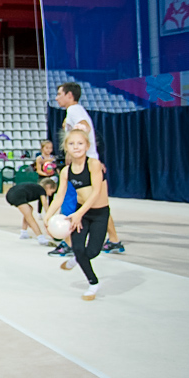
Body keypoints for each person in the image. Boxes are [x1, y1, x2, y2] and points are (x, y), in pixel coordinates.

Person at [56, 83, 125, 255]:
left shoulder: (74, 110)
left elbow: (84, 124)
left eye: (59, 94)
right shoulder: (72, 111)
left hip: (83, 165)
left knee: (69, 202)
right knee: (99, 205)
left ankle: (69, 243)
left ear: (69, 95)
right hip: (87, 162)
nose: (56, 97)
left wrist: (80, 129)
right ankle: (114, 240)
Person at [45, 129, 110, 301]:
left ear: (87, 146)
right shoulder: (66, 171)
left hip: (99, 213)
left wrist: (79, 213)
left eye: (80, 143)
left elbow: (96, 192)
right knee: (78, 248)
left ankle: (77, 260)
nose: (76, 147)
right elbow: (59, 196)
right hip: (81, 213)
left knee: (93, 251)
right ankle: (93, 283)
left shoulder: (93, 164)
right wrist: (47, 216)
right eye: (72, 144)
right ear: (66, 147)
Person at [6, 178, 56, 246]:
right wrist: (49, 216)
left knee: (30, 209)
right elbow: (44, 204)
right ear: (48, 187)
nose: (50, 195)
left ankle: (24, 233)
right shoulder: (42, 190)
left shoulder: (37, 188)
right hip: (17, 195)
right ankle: (41, 238)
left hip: (12, 193)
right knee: (30, 217)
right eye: (52, 192)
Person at [33, 140, 57, 217]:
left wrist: (52, 172)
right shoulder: (39, 158)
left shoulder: (52, 158)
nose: (49, 150)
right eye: (47, 148)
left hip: (50, 177)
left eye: (50, 148)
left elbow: (54, 168)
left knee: (51, 195)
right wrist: (46, 174)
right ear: (42, 148)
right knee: (42, 195)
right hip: (43, 178)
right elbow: (39, 170)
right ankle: (39, 212)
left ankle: (50, 212)